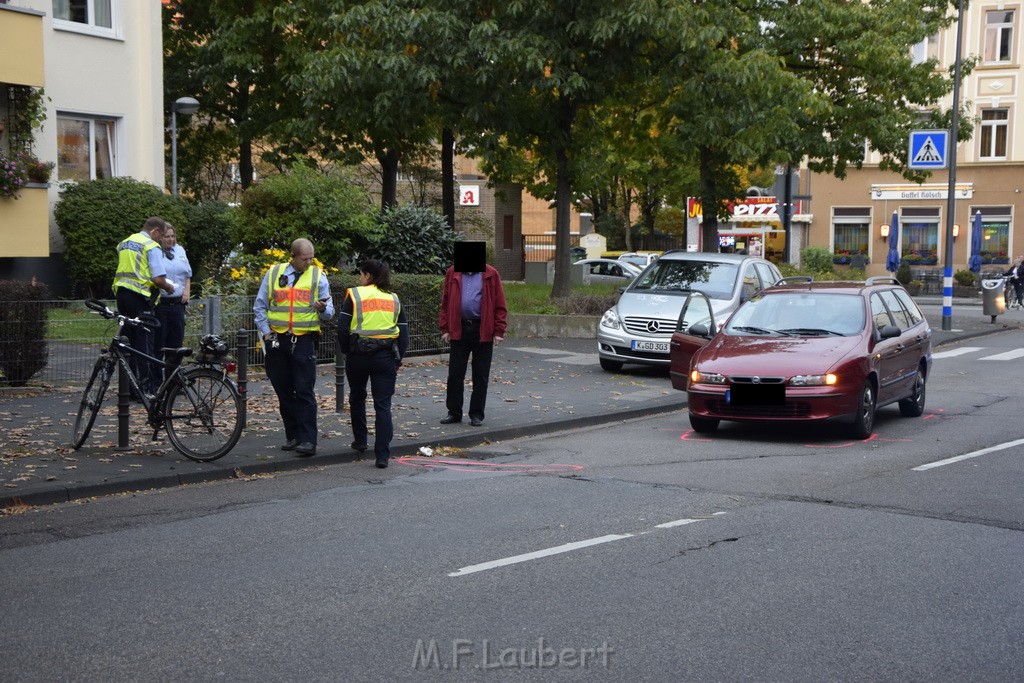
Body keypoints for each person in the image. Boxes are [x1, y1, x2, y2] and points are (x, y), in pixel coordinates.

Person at [253, 238, 334, 457]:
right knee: (283, 389)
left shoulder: (318, 276)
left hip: (304, 340)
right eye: (304, 258)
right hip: (277, 339)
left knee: (304, 389)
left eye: (311, 258)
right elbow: (260, 306)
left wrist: (322, 309)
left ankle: (308, 440)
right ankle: (293, 435)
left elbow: (329, 312)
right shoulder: (274, 274)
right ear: (293, 256)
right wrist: (267, 333)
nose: (309, 262)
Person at [337, 260, 409, 469]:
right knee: (383, 405)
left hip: (357, 355)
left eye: (361, 274)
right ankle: (382, 455)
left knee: (357, 397)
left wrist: (347, 351)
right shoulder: (394, 299)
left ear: (368, 276)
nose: (359, 278)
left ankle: (360, 441)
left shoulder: (355, 295)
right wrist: (398, 359)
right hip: (385, 357)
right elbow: (403, 333)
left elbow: (342, 329)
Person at [438, 244, 507, 427]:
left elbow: (500, 304)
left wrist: (499, 331)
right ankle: (454, 412)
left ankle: (476, 414)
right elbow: (445, 303)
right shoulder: (453, 273)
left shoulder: (491, 274)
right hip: (459, 329)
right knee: (455, 374)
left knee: (481, 375)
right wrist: (445, 328)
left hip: (482, 329)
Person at [111, 216, 176, 396]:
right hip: (140, 298)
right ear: (155, 231)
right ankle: (146, 389)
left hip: (122, 296)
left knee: (126, 344)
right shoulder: (150, 246)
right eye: (161, 235)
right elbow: (157, 279)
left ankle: (129, 389)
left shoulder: (125, 242)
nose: (161, 240)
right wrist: (169, 287)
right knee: (144, 346)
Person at [153, 223, 192, 382]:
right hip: (161, 305)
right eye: (166, 236)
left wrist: (187, 290)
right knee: (159, 345)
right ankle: (156, 383)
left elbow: (187, 273)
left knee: (176, 346)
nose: (170, 239)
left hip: (178, 305)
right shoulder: (156, 253)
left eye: (172, 236)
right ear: (160, 237)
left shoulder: (180, 250)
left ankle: (173, 382)